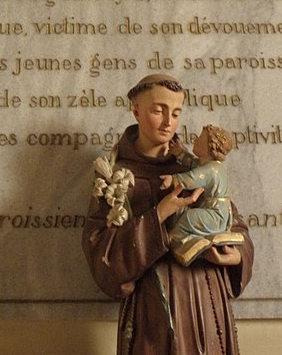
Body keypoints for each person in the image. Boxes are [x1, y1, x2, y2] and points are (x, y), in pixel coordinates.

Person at [82, 74, 253, 355]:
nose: (168, 122)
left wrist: (236, 256)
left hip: (206, 300)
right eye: (158, 110)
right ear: (136, 110)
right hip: (154, 309)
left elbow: (234, 224)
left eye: (175, 113)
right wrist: (159, 214)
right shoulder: (114, 175)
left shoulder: (195, 168)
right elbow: (101, 253)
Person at [160, 124, 245, 266]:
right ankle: (185, 241)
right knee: (185, 214)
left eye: (200, 139)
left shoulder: (212, 169)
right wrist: (181, 153)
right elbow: (194, 164)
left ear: (210, 148)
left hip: (216, 214)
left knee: (190, 217)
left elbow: (192, 178)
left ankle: (174, 239)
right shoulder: (208, 165)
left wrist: (173, 179)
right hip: (214, 211)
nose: (195, 140)